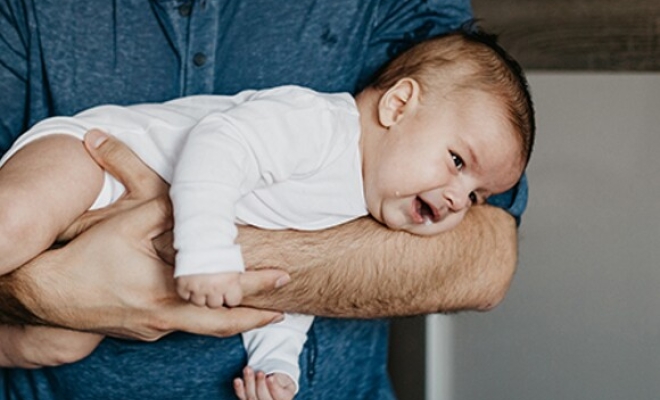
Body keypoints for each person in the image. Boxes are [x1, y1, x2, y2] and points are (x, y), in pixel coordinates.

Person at [0, 1, 527, 399]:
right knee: (13, 227)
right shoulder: (320, 124)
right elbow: (220, 145)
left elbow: (289, 302)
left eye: (478, 195)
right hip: (89, 155)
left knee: (63, 344)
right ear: (398, 104)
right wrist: (205, 250)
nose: (460, 199)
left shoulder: (360, 203)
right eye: (458, 162)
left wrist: (277, 369)